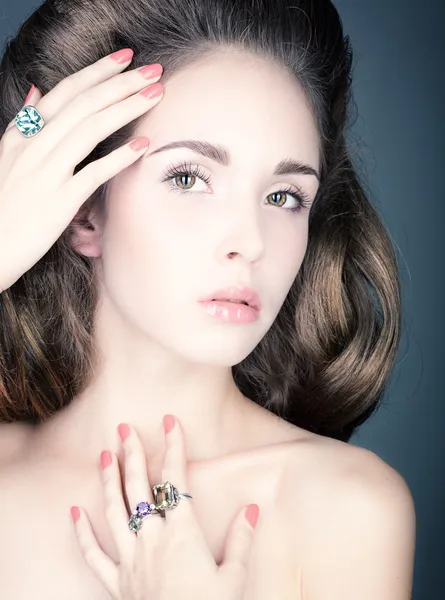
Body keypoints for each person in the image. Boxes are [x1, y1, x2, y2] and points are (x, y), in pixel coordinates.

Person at [0, 0, 416, 598]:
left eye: (284, 197)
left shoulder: (346, 508)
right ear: (83, 208)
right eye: (189, 178)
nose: (249, 243)